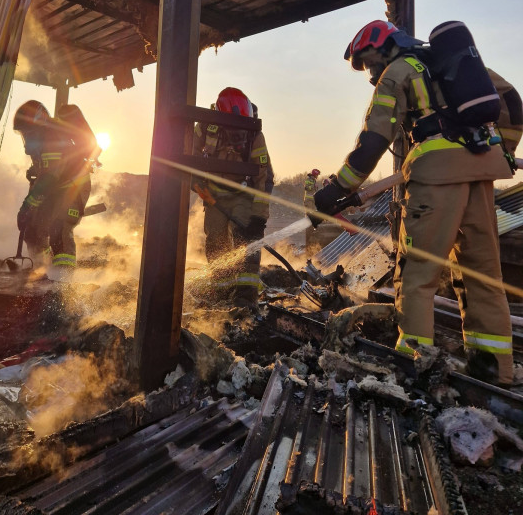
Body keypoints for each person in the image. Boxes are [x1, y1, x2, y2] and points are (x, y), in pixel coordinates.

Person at [314, 20, 520, 386]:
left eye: (369, 62)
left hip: (435, 177)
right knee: (483, 273)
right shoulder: (455, 65)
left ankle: (413, 367)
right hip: (481, 174)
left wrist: (337, 188)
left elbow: (374, 140)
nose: (371, 72)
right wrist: (503, 148)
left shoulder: (398, 72)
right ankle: (494, 370)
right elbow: (514, 103)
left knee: (416, 275)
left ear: (384, 46)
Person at [193, 87, 272, 309]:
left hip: (243, 195)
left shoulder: (254, 135)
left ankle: (246, 297)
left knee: (246, 242)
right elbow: (190, 154)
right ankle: (222, 292)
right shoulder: (205, 127)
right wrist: (195, 179)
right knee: (215, 241)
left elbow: (263, 178)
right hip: (214, 195)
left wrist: (259, 218)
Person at [13, 100, 95, 281]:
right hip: (55, 189)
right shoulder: (40, 141)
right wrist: (34, 171)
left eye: (28, 132)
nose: (26, 137)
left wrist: (27, 205)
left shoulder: (52, 137)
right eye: (23, 133)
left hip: (74, 188)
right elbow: (48, 171)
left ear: (39, 126)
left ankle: (62, 281)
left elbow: (51, 176)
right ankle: (41, 266)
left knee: (60, 227)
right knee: (33, 228)